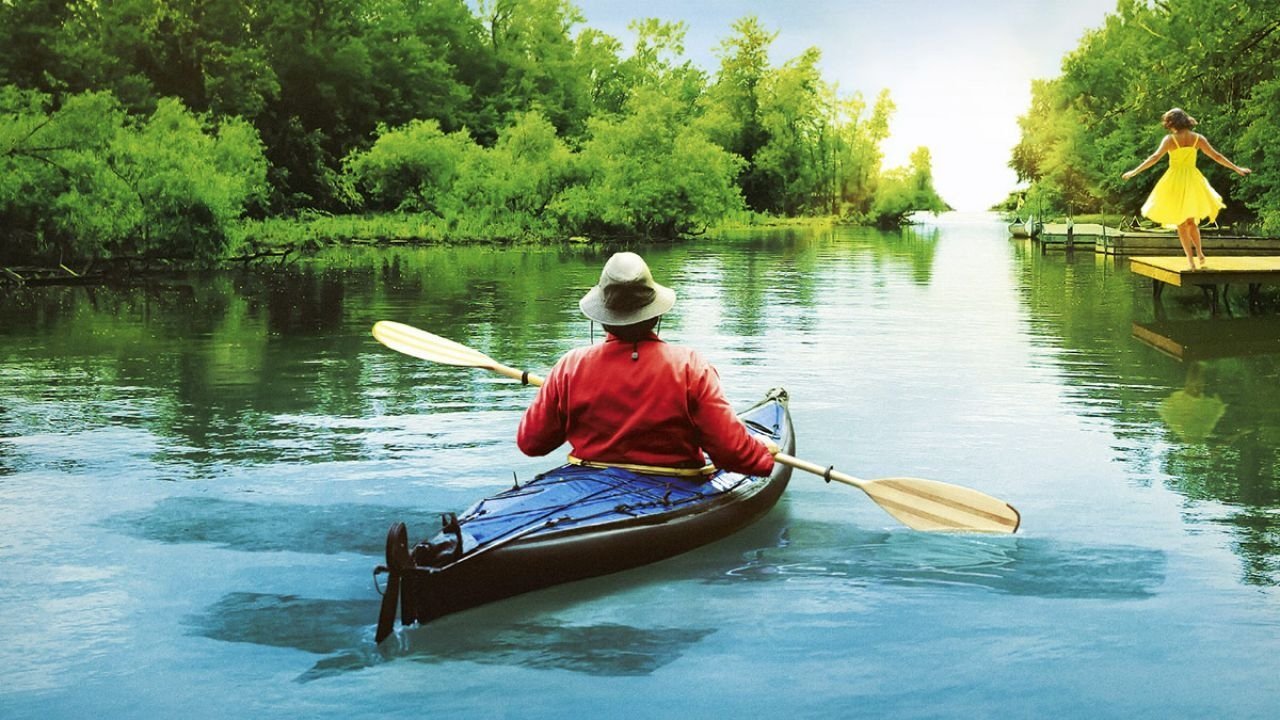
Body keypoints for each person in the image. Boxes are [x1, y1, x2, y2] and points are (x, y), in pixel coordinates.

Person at [517, 251, 777, 477]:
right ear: (655, 314)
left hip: (589, 479)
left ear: (603, 317)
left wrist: (558, 392)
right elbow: (732, 453)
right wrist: (762, 452)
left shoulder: (569, 367)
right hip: (676, 483)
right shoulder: (690, 367)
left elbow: (532, 443)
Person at [1121, 107, 1251, 270]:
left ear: (1172, 123)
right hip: (1192, 180)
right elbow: (1216, 156)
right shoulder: (1197, 138)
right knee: (1191, 221)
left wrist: (1134, 172)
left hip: (1175, 181)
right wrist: (1237, 168)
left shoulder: (1170, 140)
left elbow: (1154, 158)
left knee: (1182, 223)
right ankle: (1200, 254)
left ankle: (1190, 260)